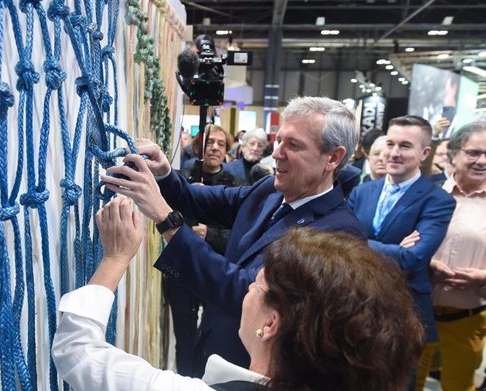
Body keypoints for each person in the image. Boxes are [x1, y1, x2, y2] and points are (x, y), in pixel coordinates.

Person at [52, 199, 424, 391]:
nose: (248, 289)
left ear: (271, 324)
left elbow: (77, 350)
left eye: (256, 286)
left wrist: (116, 258)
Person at [101, 96, 365, 376]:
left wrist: (167, 219)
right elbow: (199, 199)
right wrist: (165, 173)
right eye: (280, 141)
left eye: (294, 145)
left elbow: (246, 291)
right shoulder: (271, 190)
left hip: (251, 376)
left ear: (333, 158)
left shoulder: (339, 234)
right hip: (216, 350)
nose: (276, 154)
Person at [347, 115, 456, 391]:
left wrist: (362, 243)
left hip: (405, 312)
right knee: (350, 387)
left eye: (405, 146)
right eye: (391, 143)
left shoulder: (437, 200)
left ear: (424, 152)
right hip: (356, 304)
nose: (394, 152)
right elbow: (338, 239)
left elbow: (415, 259)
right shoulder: (364, 191)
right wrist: (388, 248)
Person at [410, 121, 486, 391]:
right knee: (409, 386)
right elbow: (403, 237)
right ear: (453, 154)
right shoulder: (424, 190)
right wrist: (423, 263)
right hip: (418, 311)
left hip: (468, 316)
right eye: (473, 152)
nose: (482, 160)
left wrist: (483, 276)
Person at [168, 124, 238, 375]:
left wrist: (210, 234)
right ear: (200, 146)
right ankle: (184, 386)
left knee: (212, 337)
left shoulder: (234, 185)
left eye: (221, 144)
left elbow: (236, 236)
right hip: (182, 271)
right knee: (184, 338)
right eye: (210, 143)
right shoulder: (182, 178)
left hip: (216, 270)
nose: (215, 148)